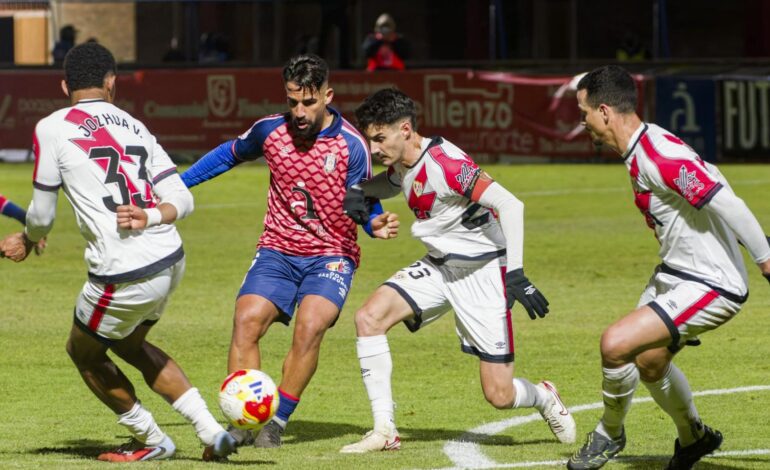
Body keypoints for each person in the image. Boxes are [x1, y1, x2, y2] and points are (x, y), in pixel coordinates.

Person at [0, 42, 236, 462]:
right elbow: (183, 198)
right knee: (128, 343)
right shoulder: (136, 125)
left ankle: (151, 440)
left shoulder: (52, 127)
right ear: (112, 82)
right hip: (170, 259)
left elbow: (41, 215)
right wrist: (151, 215)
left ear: (64, 86)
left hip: (124, 271)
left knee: (83, 351)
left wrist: (28, 239)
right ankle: (212, 431)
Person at [338, 88, 576, 453]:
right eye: (370, 140)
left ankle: (543, 396)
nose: (373, 149)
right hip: (440, 267)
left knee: (499, 394)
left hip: (484, 272)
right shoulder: (404, 160)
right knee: (368, 318)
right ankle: (384, 430)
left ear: (405, 129)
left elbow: (511, 205)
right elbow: (395, 181)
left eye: (380, 139)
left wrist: (516, 274)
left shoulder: (447, 165)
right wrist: (362, 189)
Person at [181, 53, 399, 449]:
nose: (299, 111)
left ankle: (276, 421)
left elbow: (362, 200)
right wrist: (177, 186)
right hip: (277, 250)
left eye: (308, 102)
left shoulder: (352, 145)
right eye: (292, 101)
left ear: (327, 96)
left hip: (332, 254)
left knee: (310, 326)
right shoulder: (270, 131)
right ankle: (243, 420)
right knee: (246, 321)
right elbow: (228, 154)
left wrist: (374, 224)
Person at [568, 65, 770, 470]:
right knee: (649, 362)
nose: (582, 122)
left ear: (604, 111)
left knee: (615, 344)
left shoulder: (658, 156)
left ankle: (609, 434)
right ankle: (694, 437)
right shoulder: (643, 148)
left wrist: (765, 259)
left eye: (584, 112)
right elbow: (711, 186)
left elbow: (726, 200)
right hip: (677, 273)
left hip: (712, 282)